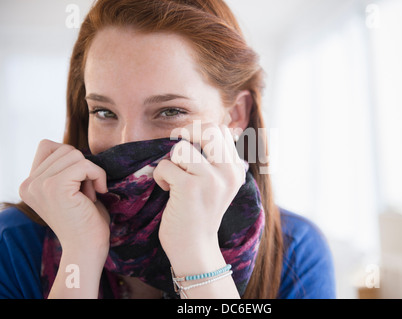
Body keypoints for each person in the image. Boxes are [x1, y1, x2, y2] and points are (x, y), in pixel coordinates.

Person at [0, 0, 335, 299]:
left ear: (235, 115)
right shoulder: (14, 244)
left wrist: (195, 252)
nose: (126, 142)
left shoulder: (294, 252)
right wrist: (80, 255)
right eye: (104, 112)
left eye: (170, 111)